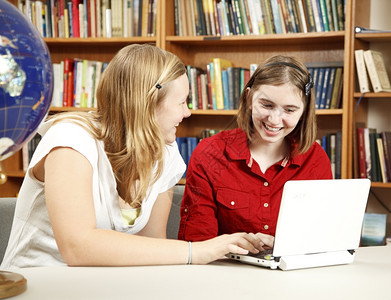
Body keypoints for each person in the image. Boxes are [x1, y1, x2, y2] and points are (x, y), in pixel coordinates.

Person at [1, 44, 271, 269]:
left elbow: (153, 247)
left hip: (104, 288)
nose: (187, 113)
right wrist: (196, 251)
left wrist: (228, 249)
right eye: (181, 103)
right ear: (146, 104)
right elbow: (78, 247)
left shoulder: (165, 153)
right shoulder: (71, 140)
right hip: (36, 285)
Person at [178, 55, 333, 242]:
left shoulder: (315, 159)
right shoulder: (209, 154)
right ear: (249, 98)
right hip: (225, 269)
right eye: (267, 105)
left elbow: (322, 236)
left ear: (304, 112)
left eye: (289, 110)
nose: (274, 119)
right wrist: (235, 244)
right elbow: (196, 243)